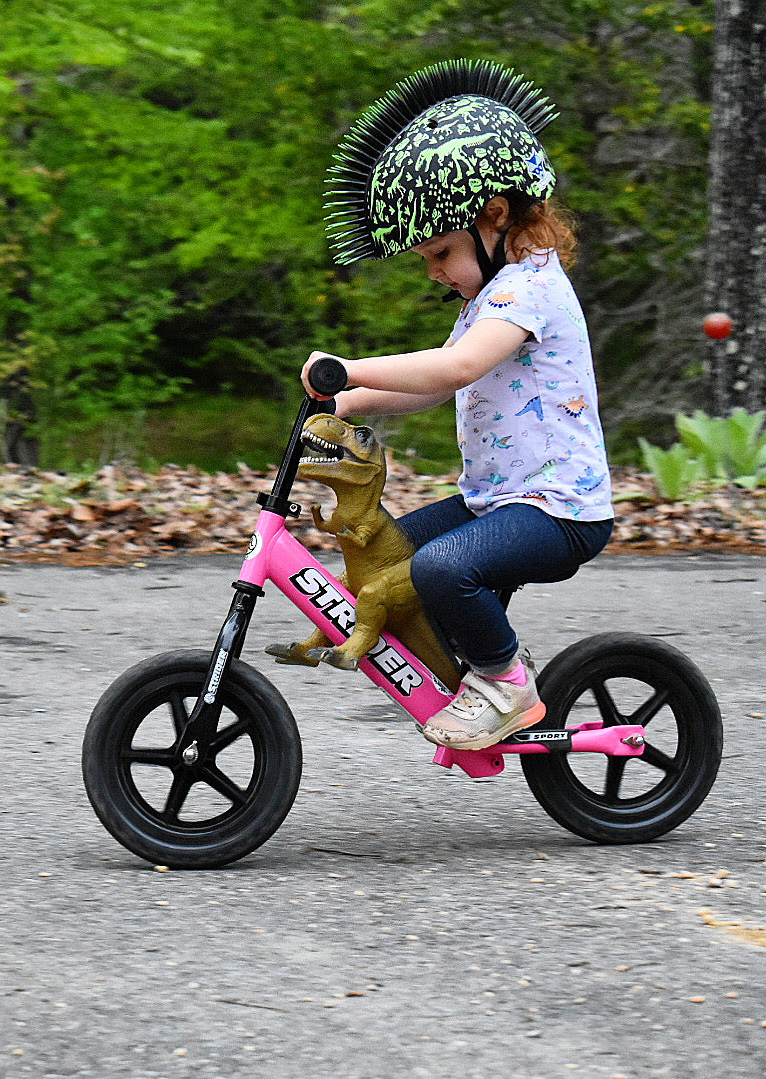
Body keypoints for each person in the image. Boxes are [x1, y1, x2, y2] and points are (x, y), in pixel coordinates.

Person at [302, 59, 615, 751]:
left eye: (440, 252)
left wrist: (348, 364)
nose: (435, 271)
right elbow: (440, 383)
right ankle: (467, 664)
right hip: (497, 502)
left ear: (495, 217)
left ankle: (505, 683)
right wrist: (346, 398)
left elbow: (457, 365)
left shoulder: (529, 289)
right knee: (392, 555)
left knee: (441, 569)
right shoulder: (490, 297)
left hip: (555, 510)